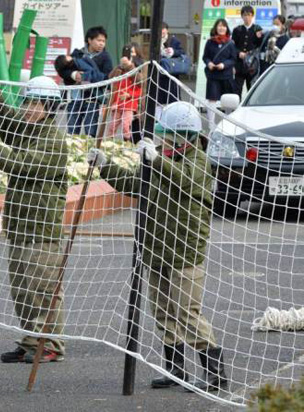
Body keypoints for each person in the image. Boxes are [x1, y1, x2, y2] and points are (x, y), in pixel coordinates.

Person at [88, 102, 227, 392]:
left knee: (188, 312)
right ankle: (175, 367)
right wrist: (104, 166)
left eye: (170, 138)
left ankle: (215, 373)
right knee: (163, 311)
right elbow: (135, 183)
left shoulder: (198, 161)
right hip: (156, 246)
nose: (164, 142)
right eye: (163, 137)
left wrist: (156, 160)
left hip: (185, 249)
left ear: (187, 138)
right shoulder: (159, 159)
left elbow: (185, 180)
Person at [0, 76, 69, 363]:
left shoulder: (53, 139)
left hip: (42, 227)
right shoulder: (29, 129)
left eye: (37, 103)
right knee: (22, 289)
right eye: (27, 101)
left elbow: (22, 164)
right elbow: (8, 122)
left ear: (50, 107)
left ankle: (49, 343)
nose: (29, 108)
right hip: (20, 224)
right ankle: (31, 340)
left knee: (43, 288)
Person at [67, 26, 113, 137]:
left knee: (90, 134)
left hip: (92, 100)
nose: (101, 43)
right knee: (72, 134)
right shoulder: (77, 54)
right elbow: (65, 72)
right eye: (98, 40)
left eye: (103, 41)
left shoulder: (106, 57)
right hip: (75, 98)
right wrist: (74, 75)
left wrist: (88, 75)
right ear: (89, 40)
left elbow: (107, 78)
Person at [202, 19, 237, 129]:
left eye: (224, 26)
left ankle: (227, 125)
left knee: (227, 100)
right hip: (213, 75)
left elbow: (233, 59)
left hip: (226, 75)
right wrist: (209, 63)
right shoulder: (210, 42)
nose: (221, 28)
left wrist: (224, 65)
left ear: (227, 29)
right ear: (215, 28)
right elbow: (205, 57)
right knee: (212, 99)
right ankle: (211, 125)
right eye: (219, 26)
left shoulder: (230, 43)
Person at [106, 44, 144, 141]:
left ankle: (130, 144)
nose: (129, 55)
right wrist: (119, 67)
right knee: (114, 125)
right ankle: (111, 142)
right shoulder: (120, 68)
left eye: (132, 52)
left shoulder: (140, 66)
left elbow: (140, 83)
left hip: (134, 104)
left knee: (131, 127)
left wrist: (130, 67)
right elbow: (111, 78)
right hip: (120, 103)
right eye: (127, 52)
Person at [232, 5, 263, 97]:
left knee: (252, 90)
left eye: (249, 15)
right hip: (239, 65)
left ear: (252, 16)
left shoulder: (257, 29)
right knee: (237, 90)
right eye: (245, 15)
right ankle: (236, 109)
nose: (247, 17)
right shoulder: (237, 30)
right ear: (242, 16)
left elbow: (260, 46)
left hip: (252, 65)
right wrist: (238, 53)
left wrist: (259, 38)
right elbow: (232, 46)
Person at [155, 23, 184, 120]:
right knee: (158, 100)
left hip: (172, 74)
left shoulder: (174, 41)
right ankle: (157, 122)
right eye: (160, 29)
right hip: (159, 74)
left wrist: (173, 52)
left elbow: (182, 54)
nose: (162, 31)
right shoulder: (154, 41)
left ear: (167, 30)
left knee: (173, 100)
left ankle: (173, 121)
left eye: (163, 29)